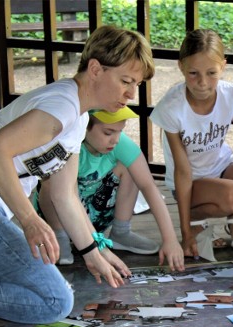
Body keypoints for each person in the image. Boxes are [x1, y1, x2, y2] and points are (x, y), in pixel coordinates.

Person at [0, 26, 155, 326]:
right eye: (126, 81)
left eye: (136, 84)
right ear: (96, 69)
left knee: (47, 294)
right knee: (53, 301)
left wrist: (93, 250)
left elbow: (65, 195)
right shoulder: (61, 106)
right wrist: (30, 219)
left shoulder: (79, 116)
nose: (130, 93)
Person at [150, 29, 233, 258]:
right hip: (191, 183)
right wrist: (184, 234)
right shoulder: (171, 107)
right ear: (181, 66)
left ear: (223, 66)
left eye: (211, 72)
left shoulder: (231, 94)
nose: (202, 83)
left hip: (222, 169)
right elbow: (183, 171)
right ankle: (196, 221)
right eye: (193, 73)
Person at [36, 106, 184, 270]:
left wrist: (170, 239)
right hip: (62, 216)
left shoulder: (120, 144)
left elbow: (148, 186)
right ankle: (60, 237)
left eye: (120, 131)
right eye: (108, 133)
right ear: (84, 127)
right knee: (51, 182)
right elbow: (69, 197)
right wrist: (98, 246)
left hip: (96, 215)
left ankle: (121, 232)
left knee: (131, 168)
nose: (116, 140)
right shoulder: (70, 146)